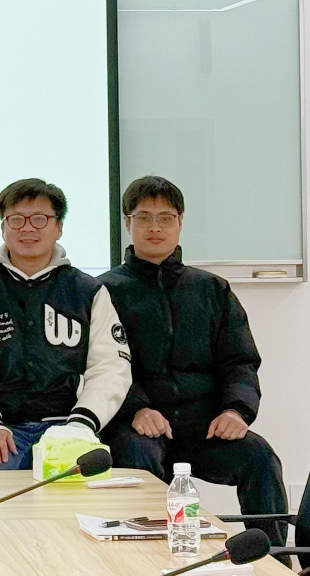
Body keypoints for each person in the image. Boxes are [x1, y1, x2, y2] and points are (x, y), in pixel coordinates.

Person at [100, 176, 287, 543]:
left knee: (259, 457)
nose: (155, 228)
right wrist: (137, 409)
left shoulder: (211, 289)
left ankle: (273, 557)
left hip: (204, 425)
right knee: (137, 458)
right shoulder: (104, 290)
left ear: (180, 221)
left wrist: (236, 410)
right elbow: (102, 366)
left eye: (166, 218)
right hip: (138, 426)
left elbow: (240, 361)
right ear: (126, 223)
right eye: (143, 217)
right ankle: (148, 560)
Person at [0, 178, 131, 470]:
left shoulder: (87, 291)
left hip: (68, 425)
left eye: (40, 219)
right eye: (16, 219)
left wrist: (82, 422)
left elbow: (111, 366)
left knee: (72, 492)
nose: (27, 228)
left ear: (58, 226)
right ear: (3, 227)